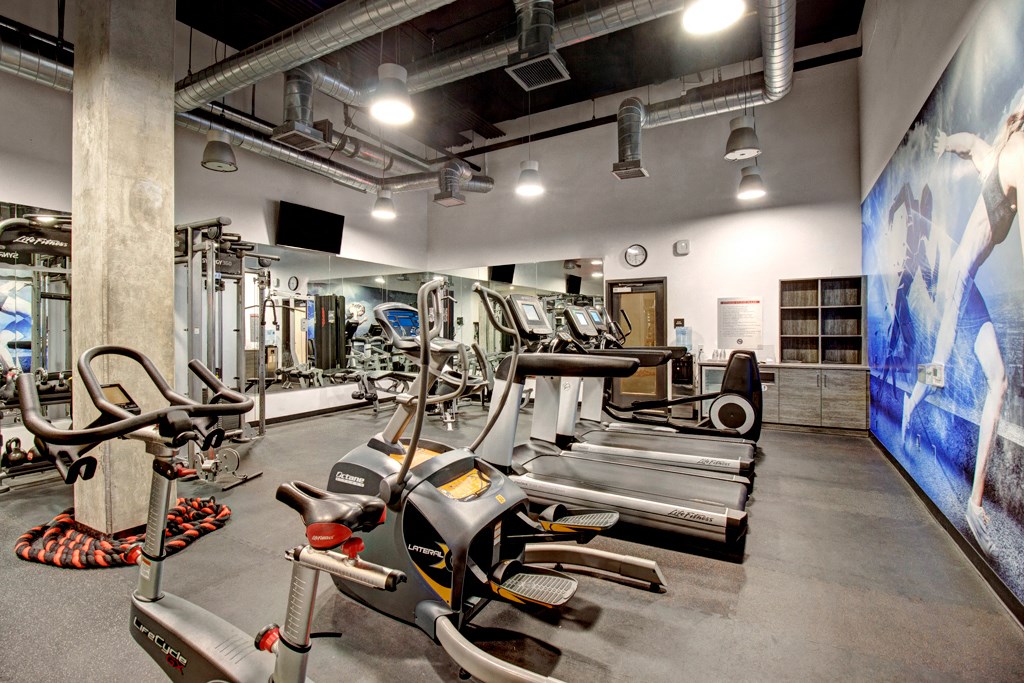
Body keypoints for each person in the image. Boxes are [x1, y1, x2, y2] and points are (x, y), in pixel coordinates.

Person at [901, 96, 1023, 555]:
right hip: (958, 284)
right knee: (940, 371)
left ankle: (974, 502)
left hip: (963, 283)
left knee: (998, 381)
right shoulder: (1016, 158)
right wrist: (944, 145)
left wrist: (941, 144)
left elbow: (969, 143)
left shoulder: (994, 154)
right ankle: (912, 409)